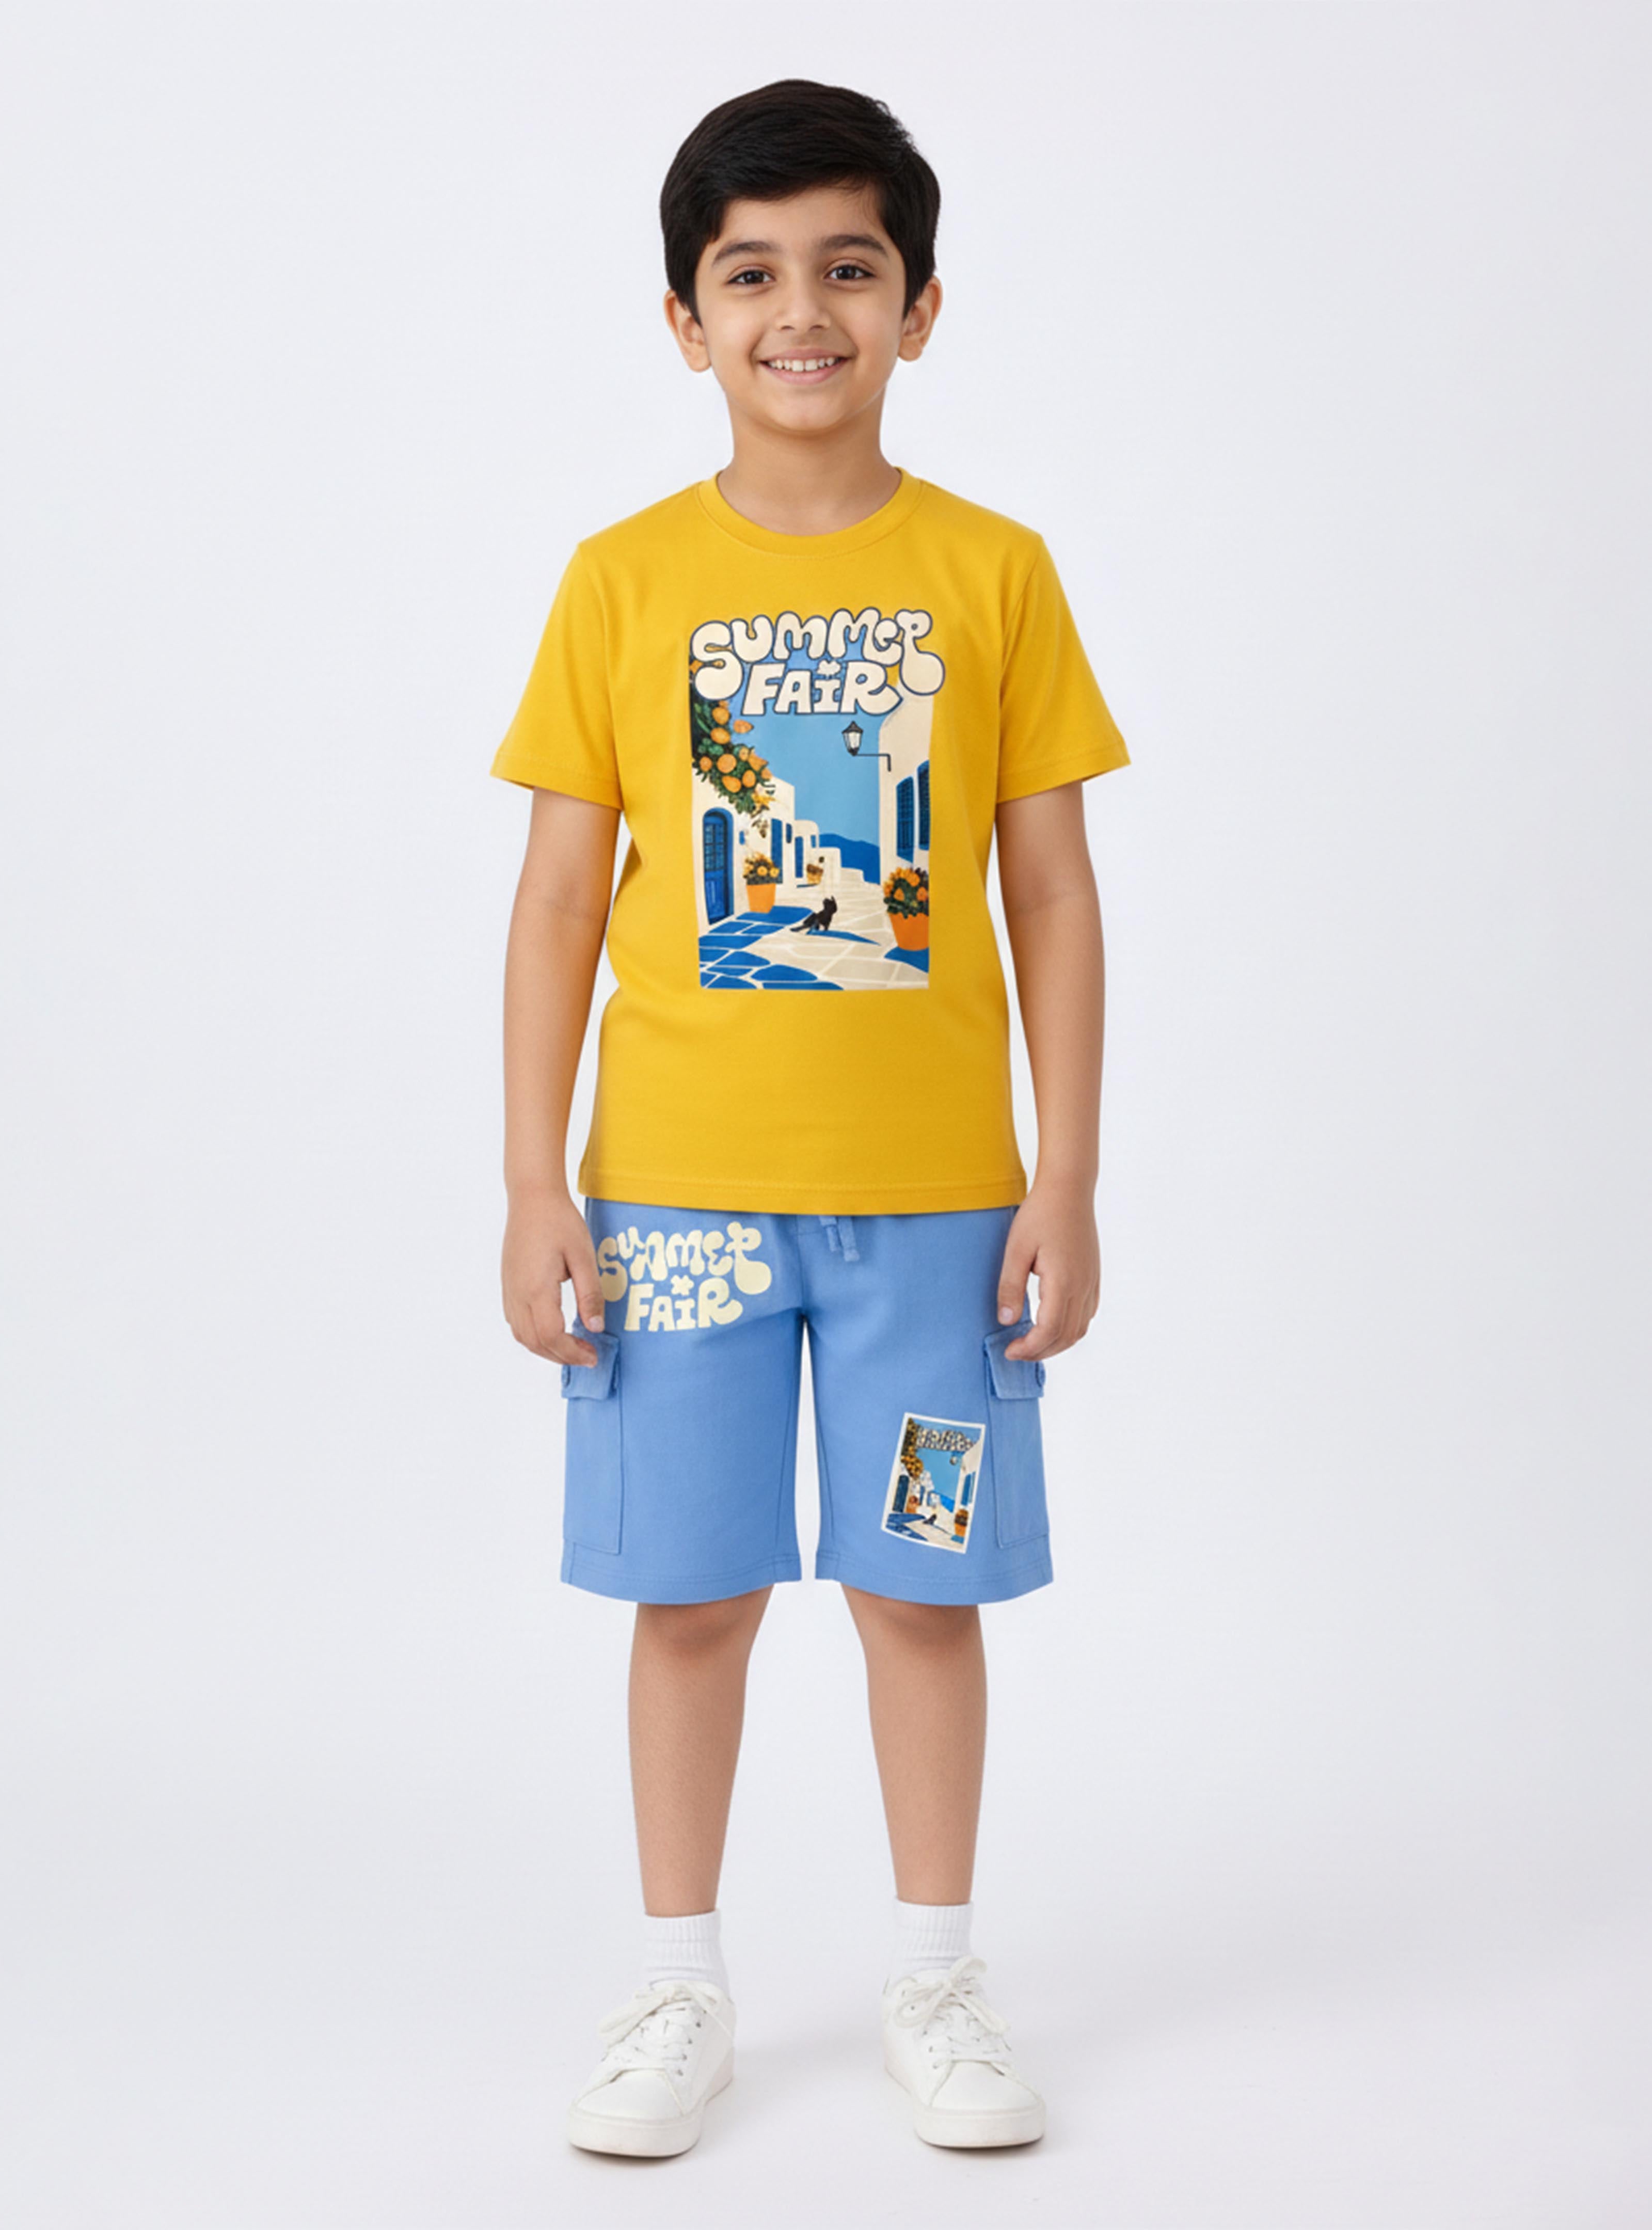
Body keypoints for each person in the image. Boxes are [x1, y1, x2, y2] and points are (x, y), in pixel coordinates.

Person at [493, 77, 1130, 2158]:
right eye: (750, 274)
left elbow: (1052, 894)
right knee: (690, 1596)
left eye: (849, 269)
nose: (802, 312)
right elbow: (557, 901)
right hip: (673, 1213)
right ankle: (678, 1981)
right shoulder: (619, 580)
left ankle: (935, 1973)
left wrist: (1066, 1180)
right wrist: (531, 1184)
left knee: (919, 1588)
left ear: (919, 308)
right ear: (686, 321)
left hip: (937, 1221)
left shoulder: (996, 571)